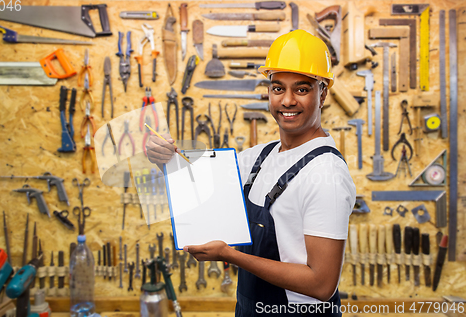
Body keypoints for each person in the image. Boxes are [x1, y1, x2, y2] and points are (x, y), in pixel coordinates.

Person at [146, 30, 356, 316]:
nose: (287, 100)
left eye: (302, 89)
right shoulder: (261, 155)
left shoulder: (327, 175)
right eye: (278, 88)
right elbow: (201, 184)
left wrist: (228, 255)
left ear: (323, 94)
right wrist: (164, 158)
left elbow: (321, 284)